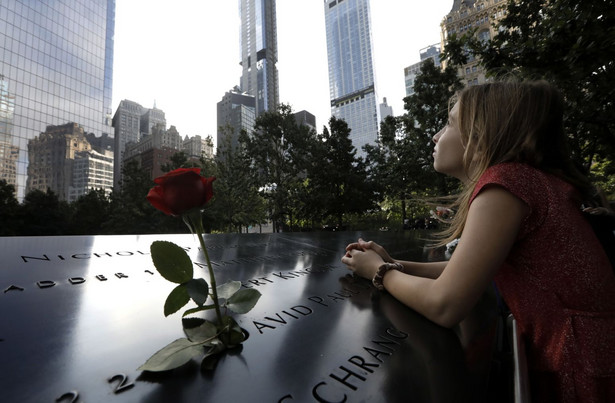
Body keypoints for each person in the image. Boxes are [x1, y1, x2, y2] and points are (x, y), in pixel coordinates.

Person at [341, 80, 615, 402]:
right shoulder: (529, 180)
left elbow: (444, 305)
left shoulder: (505, 184)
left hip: (581, 365)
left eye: (449, 123)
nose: (436, 135)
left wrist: (381, 273)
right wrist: (394, 263)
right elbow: (465, 268)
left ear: (481, 137)